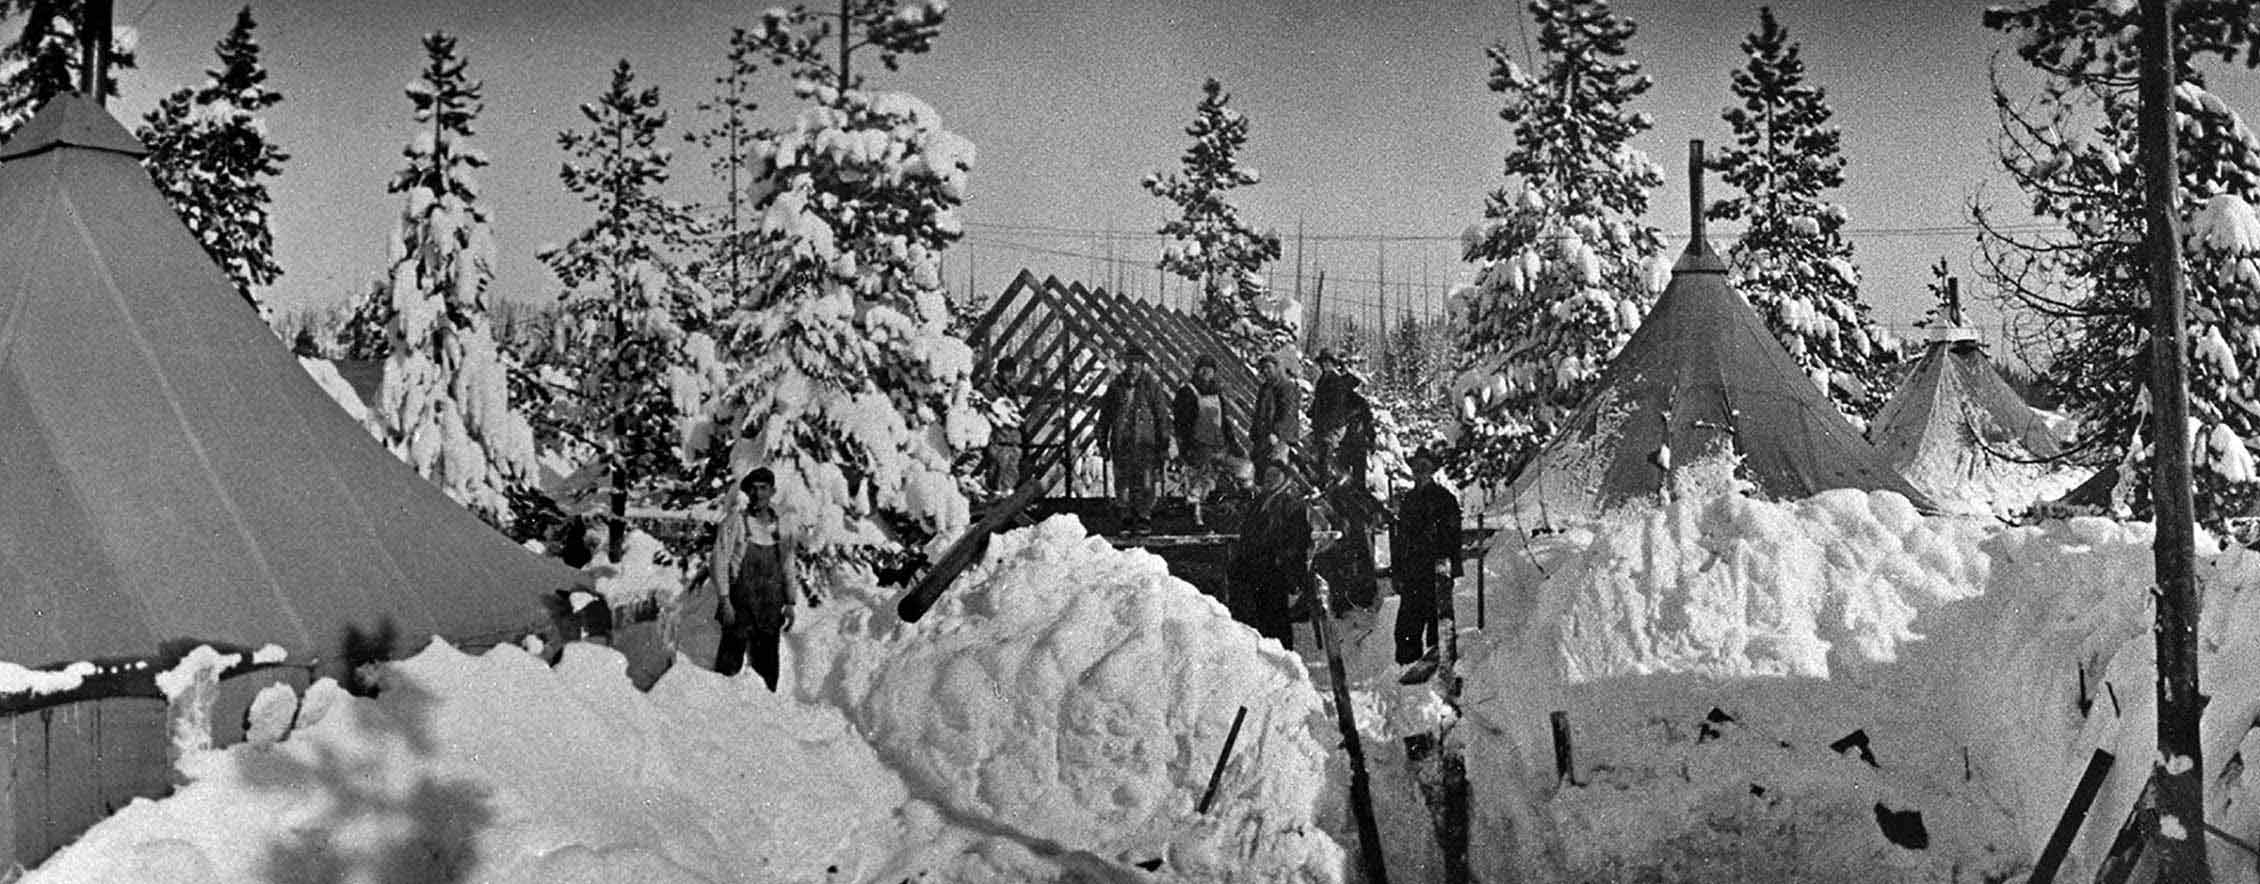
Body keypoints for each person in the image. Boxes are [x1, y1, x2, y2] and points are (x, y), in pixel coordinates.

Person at [710, 467, 802, 691]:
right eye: (753, 488)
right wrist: (724, 600)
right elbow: (719, 560)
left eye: (763, 488)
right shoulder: (736, 521)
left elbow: (788, 564)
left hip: (771, 606)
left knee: (768, 667)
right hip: (739, 604)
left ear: (773, 491)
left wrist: (790, 602)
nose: (758, 493)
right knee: (728, 666)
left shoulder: (783, 525)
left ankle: (765, 713)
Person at [1228, 457, 1316, 650]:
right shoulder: (1260, 501)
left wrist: (1283, 561)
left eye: (1274, 475)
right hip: (1257, 569)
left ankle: (1283, 660)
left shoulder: (1292, 503)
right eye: (1267, 475)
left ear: (1284, 478)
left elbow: (1299, 540)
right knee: (1260, 619)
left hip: (1277, 571)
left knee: (1277, 620)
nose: (1269, 479)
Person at [1391, 449, 1463, 669]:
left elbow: (1452, 537)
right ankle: (1407, 674)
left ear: (1432, 471)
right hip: (1413, 572)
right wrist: (1398, 572)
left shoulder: (1444, 499)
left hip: (1436, 571)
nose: (1419, 473)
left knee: (1439, 626)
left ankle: (1442, 674)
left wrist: (1450, 567)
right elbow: (1400, 539)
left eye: (1425, 468)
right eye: (1416, 468)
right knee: (1406, 628)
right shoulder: (1409, 501)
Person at [1100, 345, 1174, 534]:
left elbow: (1161, 417)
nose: (1133, 365)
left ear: (1142, 365)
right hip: (1122, 442)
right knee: (1123, 481)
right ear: (1126, 363)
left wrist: (1164, 442)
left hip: (1145, 443)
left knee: (1146, 481)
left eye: (1138, 362)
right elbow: (1105, 416)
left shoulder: (1151, 387)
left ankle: (1143, 517)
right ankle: (1125, 516)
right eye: (1130, 361)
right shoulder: (1116, 386)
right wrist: (1102, 442)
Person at [1173, 354, 1244, 529]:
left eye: (1210, 369)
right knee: (1197, 480)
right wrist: (1185, 445)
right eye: (1202, 368)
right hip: (1197, 444)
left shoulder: (1216, 393)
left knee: (1212, 480)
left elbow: (1224, 420)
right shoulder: (1187, 391)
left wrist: (1232, 442)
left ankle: (1210, 517)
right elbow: (1181, 422)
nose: (1206, 372)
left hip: (1217, 443)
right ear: (1196, 370)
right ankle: (1195, 517)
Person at [1313, 455, 1386, 614]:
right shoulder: (1339, 488)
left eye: (1332, 469)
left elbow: (1360, 508)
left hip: (1355, 530)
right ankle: (1359, 597)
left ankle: (1361, 598)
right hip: (1354, 531)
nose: (1330, 472)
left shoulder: (1343, 488)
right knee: (1357, 565)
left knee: (1359, 564)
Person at [981, 356, 1026, 496]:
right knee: (996, 476)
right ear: (1000, 371)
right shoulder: (989, 388)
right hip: (998, 440)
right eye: (1008, 371)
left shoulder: (1012, 390)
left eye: (1013, 372)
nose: (1011, 375)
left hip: (1013, 442)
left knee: (1011, 476)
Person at [1249, 354, 1304, 467]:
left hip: (1281, 437)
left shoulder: (1287, 387)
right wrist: (1255, 431)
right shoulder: (1265, 388)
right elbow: (1259, 412)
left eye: (1268, 367)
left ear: (1276, 367)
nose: (1265, 371)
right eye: (1262, 369)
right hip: (1263, 435)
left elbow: (1288, 413)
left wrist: (1276, 432)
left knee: (1275, 466)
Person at [1308, 350, 1355, 469]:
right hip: (1320, 423)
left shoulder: (1336, 381)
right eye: (1322, 363)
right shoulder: (1322, 380)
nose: (1324, 365)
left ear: (1332, 364)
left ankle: (1325, 481)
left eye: (1327, 362)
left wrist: (1330, 424)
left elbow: (1337, 405)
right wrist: (1311, 412)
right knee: (1315, 451)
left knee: (1326, 453)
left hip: (1332, 425)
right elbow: (1319, 400)